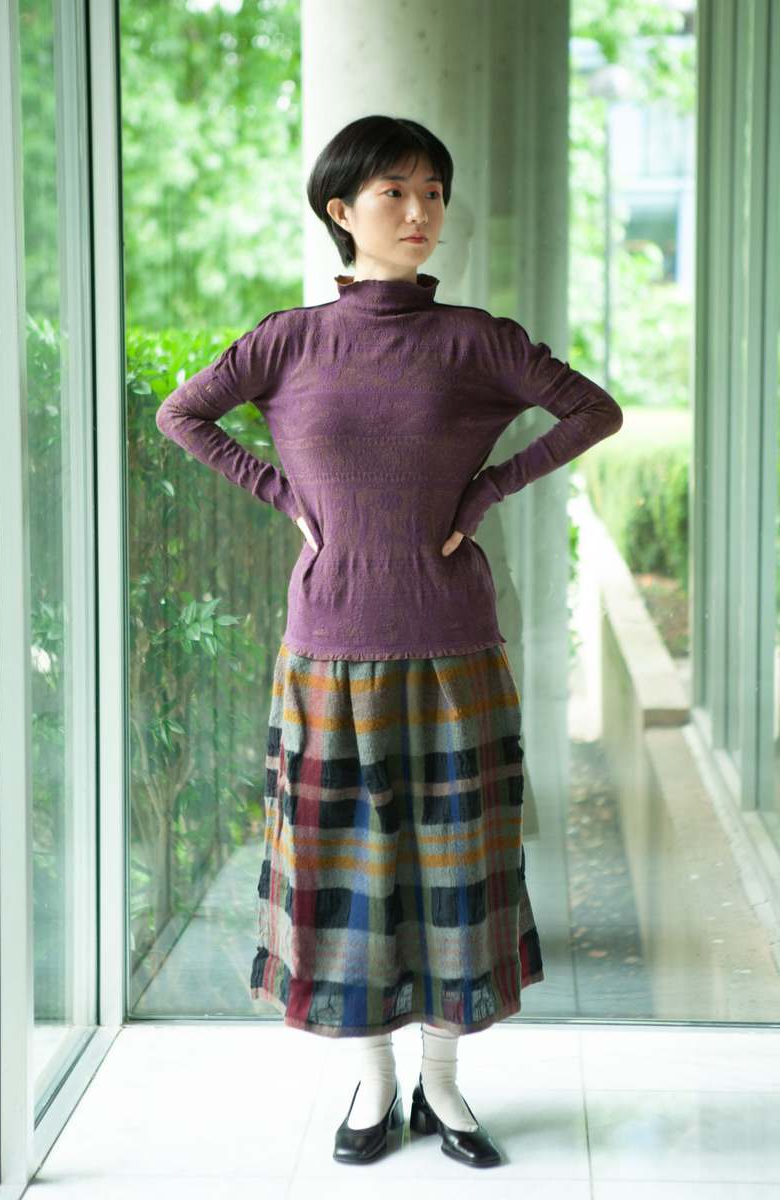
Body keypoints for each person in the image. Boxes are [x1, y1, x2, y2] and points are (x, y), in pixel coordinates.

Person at [155, 114, 623, 1169]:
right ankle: (371, 1087)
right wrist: (284, 495)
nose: (420, 212)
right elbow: (185, 415)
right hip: (328, 649)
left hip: (453, 648)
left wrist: (486, 489)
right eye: (395, 193)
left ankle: (442, 1087)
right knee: (342, 877)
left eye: (433, 193)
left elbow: (592, 411)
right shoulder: (289, 339)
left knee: (457, 876)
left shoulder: (477, 339)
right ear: (341, 209)